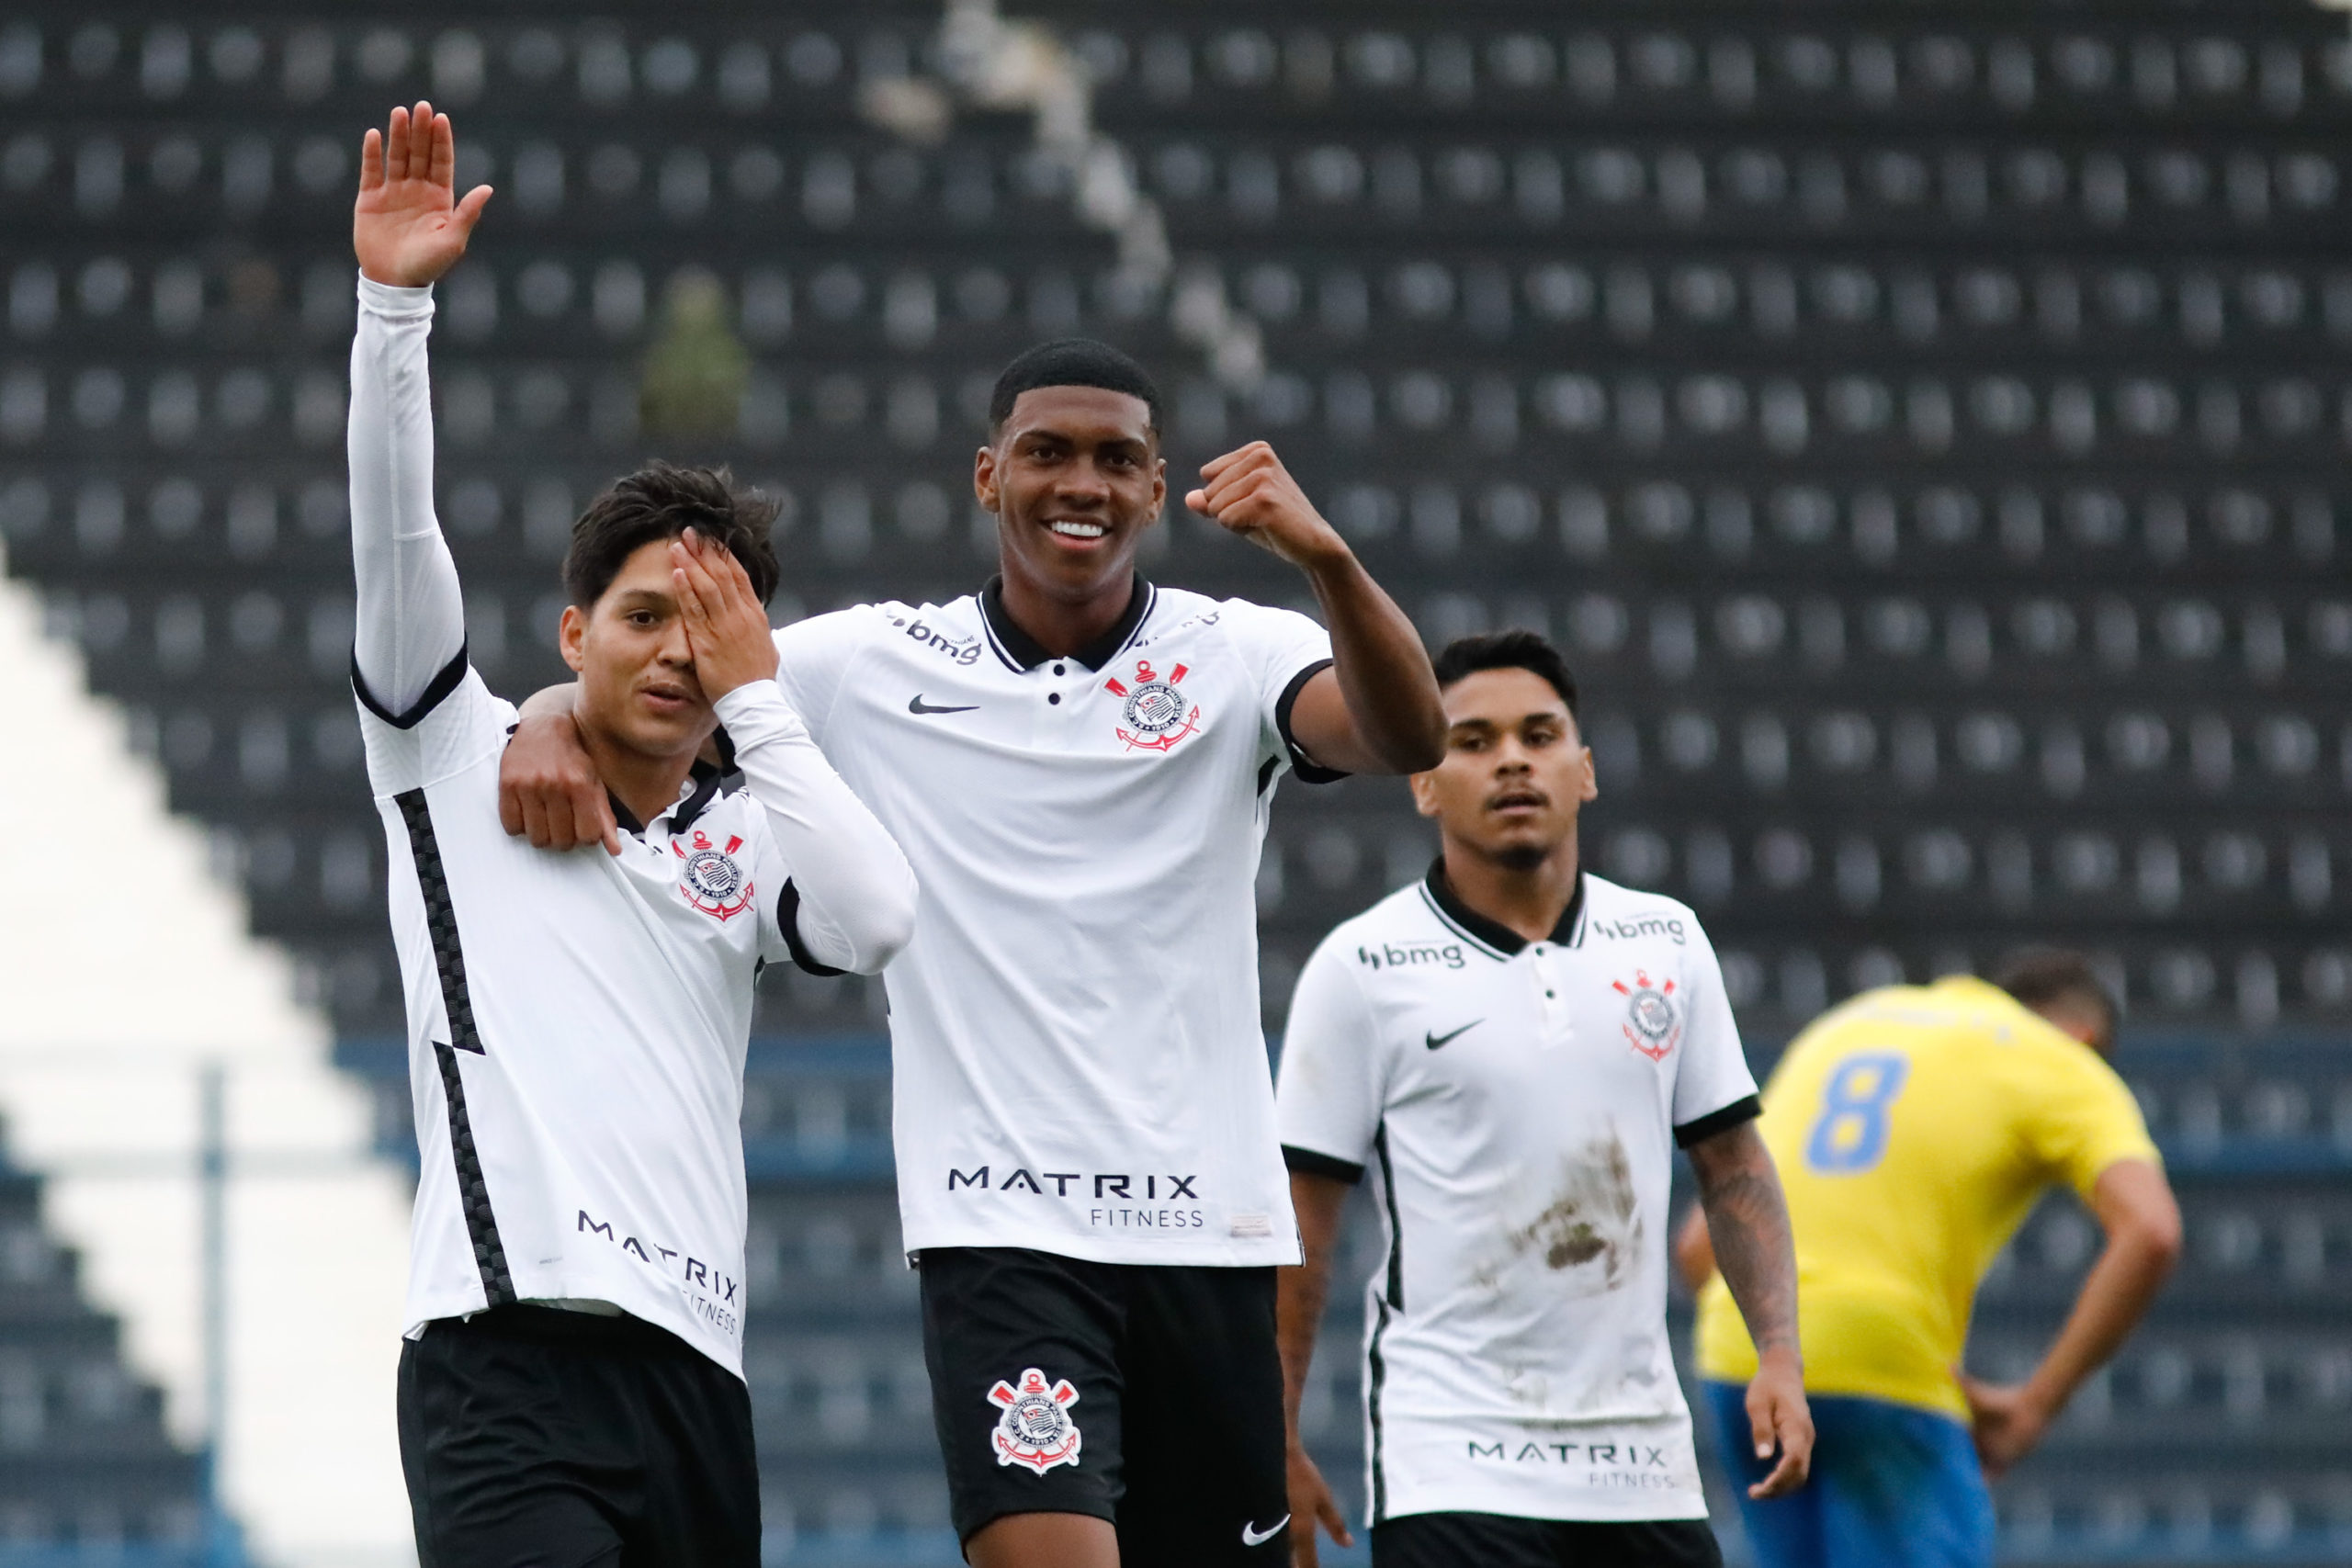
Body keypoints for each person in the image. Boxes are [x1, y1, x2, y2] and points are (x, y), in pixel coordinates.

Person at [499, 332, 1446, 1557]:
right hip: (1004, 1232)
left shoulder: (1235, 648)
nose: (1083, 483)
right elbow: (653, 686)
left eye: (1118, 458)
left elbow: (1410, 732)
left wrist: (1324, 557)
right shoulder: (873, 661)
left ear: (1158, 489)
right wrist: (540, 715)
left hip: (1211, 1231)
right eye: (1047, 452)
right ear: (987, 474)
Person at [346, 103, 918, 1567]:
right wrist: (392, 307)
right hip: (502, 1350)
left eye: (705, 627)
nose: (673, 652)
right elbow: (395, 534)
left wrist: (762, 698)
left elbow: (874, 922)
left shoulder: (752, 821)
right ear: (570, 630)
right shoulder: (452, 745)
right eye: (643, 617)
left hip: (697, 1375)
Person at [1273, 630, 1814, 1568]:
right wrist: (1272, 1439)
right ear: (1423, 781)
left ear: (1585, 770)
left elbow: (1731, 1170)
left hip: (1642, 1463)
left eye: (1539, 734)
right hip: (1451, 1458)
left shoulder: (1667, 943)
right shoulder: (1361, 967)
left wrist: (1779, 1354)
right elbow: (1300, 1229)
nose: (1512, 759)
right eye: (1472, 741)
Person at [1677, 949, 2182, 1568]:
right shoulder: (2058, 1060)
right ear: (2085, 1035)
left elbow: (1699, 1245)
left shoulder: (1850, 1024)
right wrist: (2036, 1404)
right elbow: (2152, 1230)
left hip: (1739, 1357)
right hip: (1884, 1359)